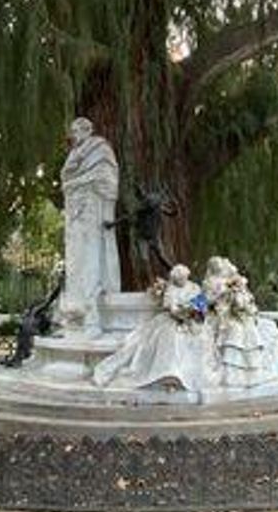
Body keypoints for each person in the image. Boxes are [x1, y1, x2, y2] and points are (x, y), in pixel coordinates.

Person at [91, 264, 214, 392]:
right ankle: (168, 376)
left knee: (196, 338)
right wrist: (180, 312)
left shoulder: (194, 287)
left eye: (183, 278)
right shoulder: (171, 289)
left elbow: (201, 304)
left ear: (187, 276)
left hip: (192, 320)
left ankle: (184, 376)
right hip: (172, 319)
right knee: (169, 337)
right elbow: (170, 306)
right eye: (178, 279)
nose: (181, 281)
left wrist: (193, 313)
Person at [58, 117, 121, 335]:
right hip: (75, 215)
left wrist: (79, 182)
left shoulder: (101, 148)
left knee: (93, 256)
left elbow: (107, 178)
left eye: (76, 131)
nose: (73, 135)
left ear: (87, 130)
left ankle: (94, 312)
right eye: (72, 131)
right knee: (77, 260)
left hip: (94, 210)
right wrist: (75, 181)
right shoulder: (73, 154)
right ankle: (77, 313)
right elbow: (65, 178)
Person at [205, 256, 278, 388]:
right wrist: (221, 294)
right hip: (218, 315)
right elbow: (204, 301)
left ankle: (254, 369)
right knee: (236, 329)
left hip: (236, 314)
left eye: (222, 267)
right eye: (219, 267)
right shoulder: (209, 283)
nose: (222, 269)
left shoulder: (233, 282)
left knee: (262, 326)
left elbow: (247, 301)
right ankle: (233, 372)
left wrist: (241, 299)